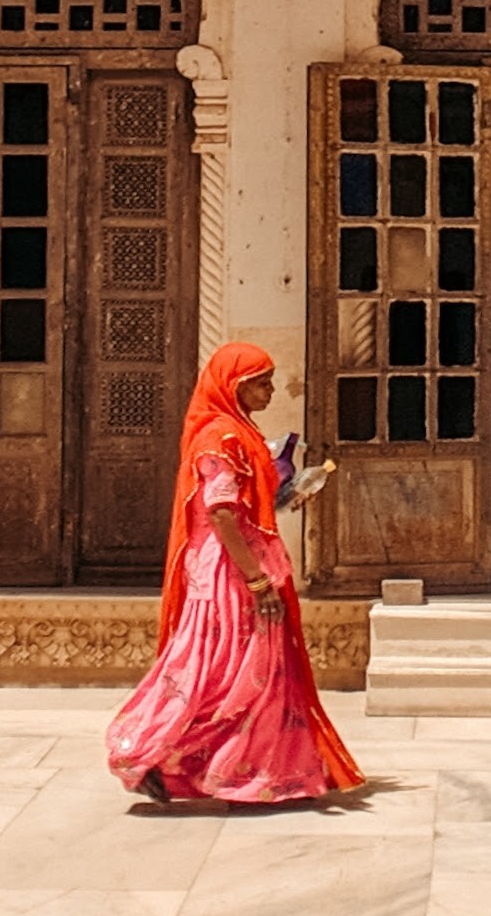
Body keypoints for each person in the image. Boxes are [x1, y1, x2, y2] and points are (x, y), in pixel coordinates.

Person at [106, 341, 364, 807]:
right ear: (236, 387)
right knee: (221, 671)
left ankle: (258, 771)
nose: (269, 390)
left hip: (242, 561)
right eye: (261, 383)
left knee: (252, 671)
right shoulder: (220, 439)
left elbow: (241, 506)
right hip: (231, 571)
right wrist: (257, 580)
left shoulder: (237, 432)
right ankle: (147, 753)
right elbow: (221, 513)